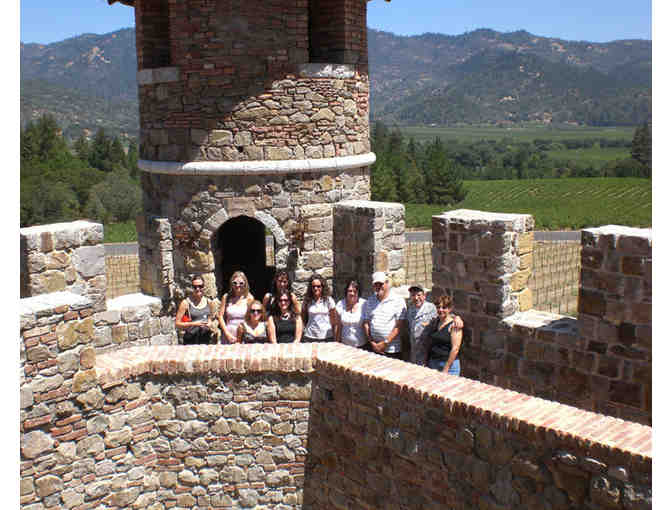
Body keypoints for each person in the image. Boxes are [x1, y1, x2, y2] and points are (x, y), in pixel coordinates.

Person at [406, 285, 464, 365]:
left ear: (424, 296)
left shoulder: (431, 308)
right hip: (415, 353)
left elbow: (445, 314)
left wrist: (457, 318)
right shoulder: (410, 309)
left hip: (427, 353)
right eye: (413, 295)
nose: (416, 298)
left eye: (419, 295)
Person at [362, 272, 407, 359]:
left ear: (387, 283)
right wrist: (371, 342)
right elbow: (366, 323)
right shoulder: (370, 301)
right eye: (376, 284)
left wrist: (385, 343)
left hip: (392, 349)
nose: (378, 287)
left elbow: (399, 325)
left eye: (381, 284)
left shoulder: (398, 300)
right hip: (374, 347)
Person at [425, 294, 463, 376]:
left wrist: (446, 368)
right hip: (433, 363)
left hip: (449, 366)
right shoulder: (436, 322)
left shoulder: (454, 325)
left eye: (444, 307)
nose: (440, 310)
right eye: (438, 307)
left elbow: (455, 349)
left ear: (450, 309)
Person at [176, 276, 220, 345]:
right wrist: (194, 324)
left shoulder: (209, 302)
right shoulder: (186, 303)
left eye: (200, 286)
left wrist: (209, 324)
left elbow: (210, 318)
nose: (198, 289)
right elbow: (177, 324)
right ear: (192, 288)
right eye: (195, 287)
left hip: (206, 339)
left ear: (204, 287)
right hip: (191, 340)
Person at [217, 271, 255, 344]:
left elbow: (252, 317)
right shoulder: (226, 297)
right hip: (229, 332)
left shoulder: (249, 298)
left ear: (245, 284)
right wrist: (227, 333)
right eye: (235, 283)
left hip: (244, 333)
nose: (238, 285)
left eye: (241, 283)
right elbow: (220, 316)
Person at [301, 274, 337, 342]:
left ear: (322, 287)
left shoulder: (329, 300)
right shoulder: (307, 301)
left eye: (318, 286)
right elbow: (303, 318)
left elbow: (334, 321)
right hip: (310, 337)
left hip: (326, 337)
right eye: (313, 286)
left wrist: (335, 339)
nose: (316, 288)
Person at [334, 279, 368, 350]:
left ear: (358, 292)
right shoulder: (340, 304)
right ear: (346, 292)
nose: (352, 293)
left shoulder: (364, 304)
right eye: (350, 291)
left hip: (361, 346)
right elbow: (338, 326)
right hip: (344, 346)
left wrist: (371, 342)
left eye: (355, 291)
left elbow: (366, 325)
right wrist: (336, 343)